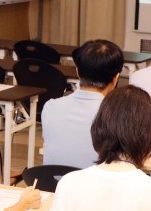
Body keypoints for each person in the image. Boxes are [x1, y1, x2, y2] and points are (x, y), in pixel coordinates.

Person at [41, 39, 123, 169]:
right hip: (95, 188)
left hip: (54, 186)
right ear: (116, 78)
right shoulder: (119, 116)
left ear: (77, 71)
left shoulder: (50, 107)